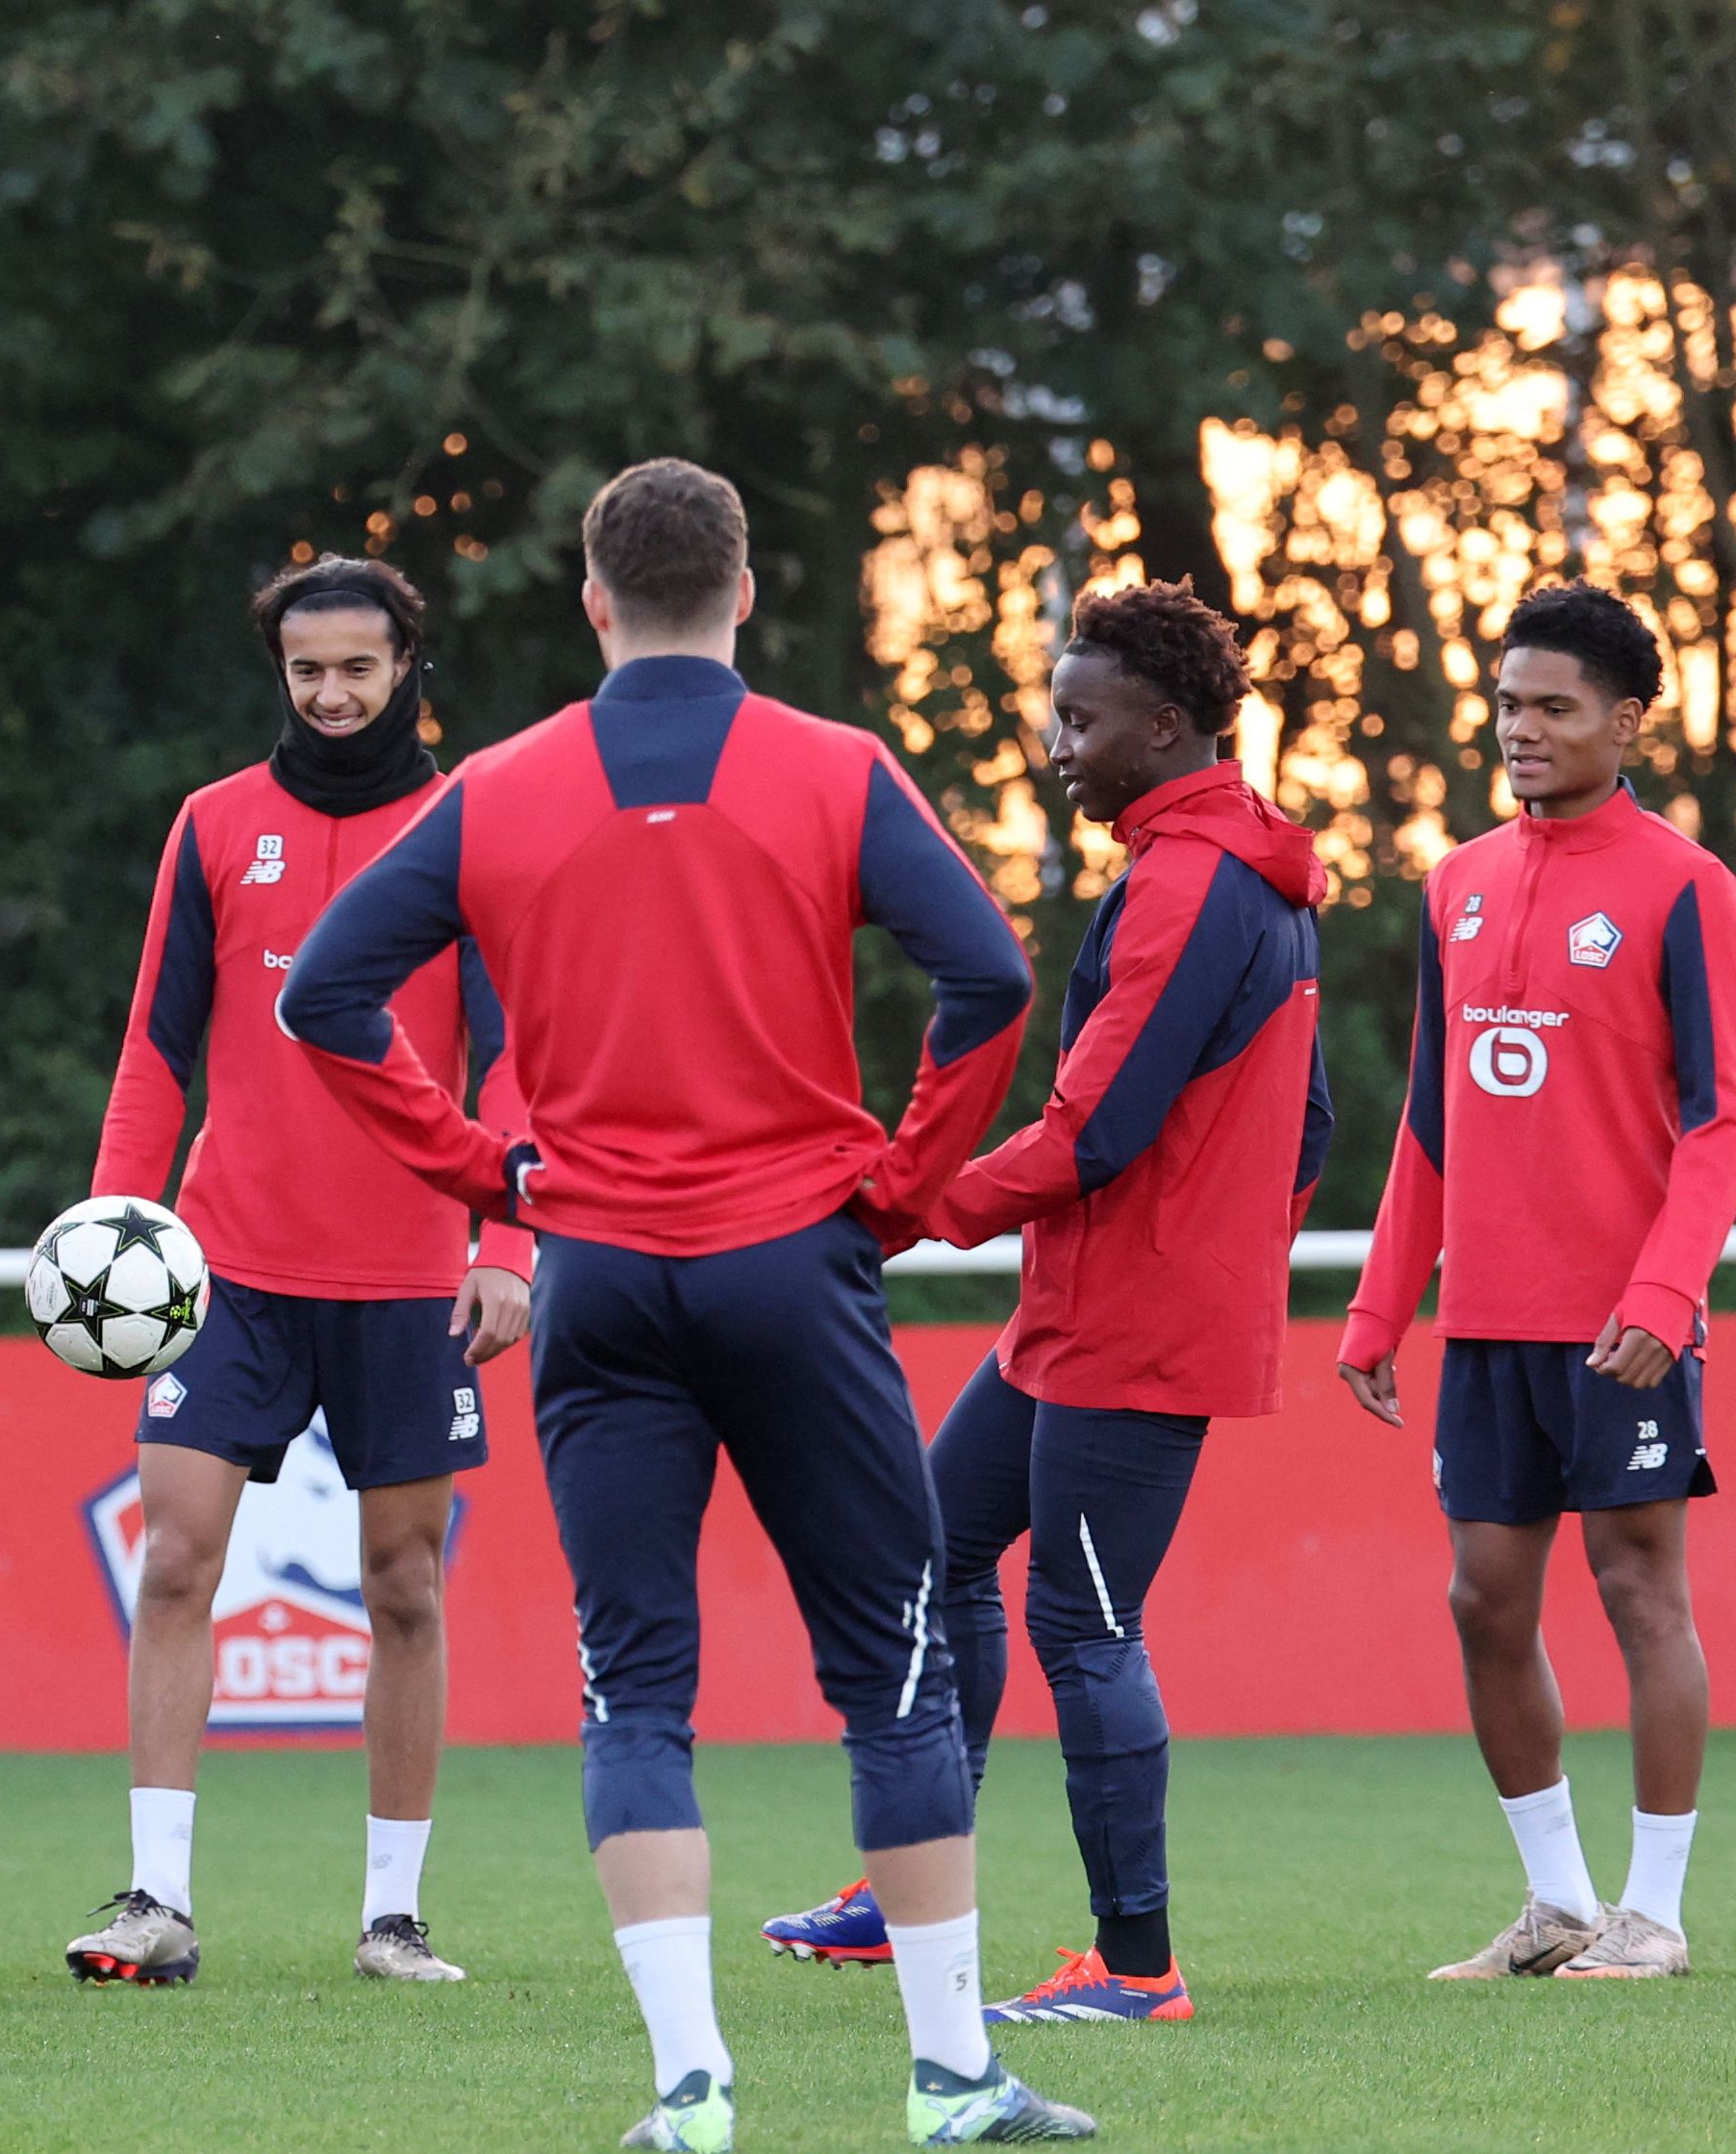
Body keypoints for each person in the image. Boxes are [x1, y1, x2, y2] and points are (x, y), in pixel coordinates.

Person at [280, 459, 1095, 2147]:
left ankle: (692, 2088)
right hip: (793, 1265)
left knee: (633, 1686)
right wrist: (904, 1178)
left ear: (591, 600)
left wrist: (480, 1170)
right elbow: (992, 976)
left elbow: (323, 997)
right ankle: (950, 2084)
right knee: (889, 1670)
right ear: (741, 592)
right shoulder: (833, 769)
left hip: (593, 1282)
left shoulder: (494, 789)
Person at [761, 581, 1328, 2025]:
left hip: (1132, 1323)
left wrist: (899, 1205)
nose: (1056, 746)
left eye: (1079, 720)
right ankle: (910, 1892)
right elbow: (1308, 1128)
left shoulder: (1196, 880)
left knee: (1082, 1625)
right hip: (1088, 1306)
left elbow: (1095, 1127)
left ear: (1165, 724)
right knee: (939, 1550)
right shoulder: (1212, 866)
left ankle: (1135, 1968)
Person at [67, 555, 529, 1990]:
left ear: (406, 671)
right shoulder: (214, 825)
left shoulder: (474, 828)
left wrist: (503, 1244)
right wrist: (112, 1232)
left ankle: (392, 1919)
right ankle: (154, 1903)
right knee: (176, 1565)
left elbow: (517, 1062)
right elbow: (159, 1049)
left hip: (407, 1278)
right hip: (230, 1272)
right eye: (304, 669)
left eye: (356, 668)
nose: (329, 694)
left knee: (402, 1585)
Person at [1336, 581, 1736, 1984]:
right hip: (1490, 1321)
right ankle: (1559, 1903)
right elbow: (1429, 1117)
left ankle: (1655, 1913)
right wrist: (1379, 1303)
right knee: (1482, 1602)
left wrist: (1660, 1295)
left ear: (1624, 721)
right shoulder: (1454, 883)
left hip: (1619, 1327)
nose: (1518, 729)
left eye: (1551, 707)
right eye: (1507, 703)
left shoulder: (1683, 886)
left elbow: (1722, 1114)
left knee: (1639, 1592)